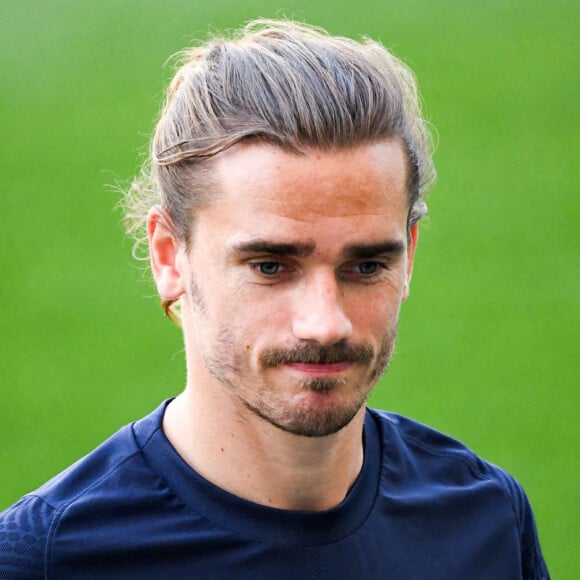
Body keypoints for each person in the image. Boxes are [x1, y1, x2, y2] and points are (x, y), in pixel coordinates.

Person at [0, 19, 549, 579]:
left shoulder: (485, 520)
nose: (325, 323)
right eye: (270, 266)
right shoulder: (46, 559)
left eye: (366, 265)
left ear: (408, 254)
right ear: (170, 257)